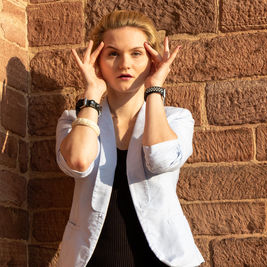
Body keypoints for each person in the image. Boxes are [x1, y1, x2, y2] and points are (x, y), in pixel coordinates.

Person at [55, 10, 204, 267]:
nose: (125, 64)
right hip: (92, 260)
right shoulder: (74, 119)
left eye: (136, 53)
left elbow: (160, 158)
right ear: (97, 62)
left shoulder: (177, 118)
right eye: (113, 53)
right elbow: (77, 163)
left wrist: (154, 87)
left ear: (152, 60)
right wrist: (92, 92)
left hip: (165, 260)